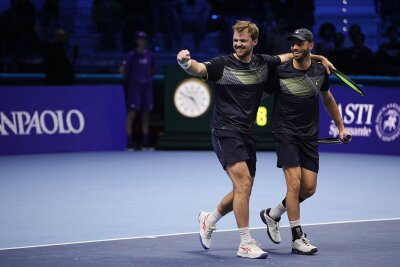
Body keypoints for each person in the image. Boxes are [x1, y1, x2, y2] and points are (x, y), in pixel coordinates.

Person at [177, 21, 333, 259]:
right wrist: (186, 62)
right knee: (243, 184)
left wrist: (319, 57)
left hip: (246, 134)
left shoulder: (263, 63)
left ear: (254, 42)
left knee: (243, 189)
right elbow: (198, 69)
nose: (238, 44)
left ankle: (209, 219)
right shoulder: (221, 65)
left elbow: (291, 55)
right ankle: (245, 242)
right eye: (236, 40)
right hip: (224, 130)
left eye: (243, 40)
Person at [259, 28, 350, 255]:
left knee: (308, 188)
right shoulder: (280, 70)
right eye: (293, 44)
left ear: (310, 45)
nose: (295, 47)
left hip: (309, 135)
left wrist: (340, 127)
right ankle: (298, 238)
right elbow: (261, 94)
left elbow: (327, 99)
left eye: (300, 44)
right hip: (285, 132)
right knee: (294, 183)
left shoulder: (320, 71)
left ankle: (273, 214)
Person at [120, 31, 155, 150]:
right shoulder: (131, 55)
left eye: (144, 39)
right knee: (131, 115)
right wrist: (132, 78)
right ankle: (129, 143)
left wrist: (146, 79)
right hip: (134, 88)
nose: (142, 41)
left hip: (147, 88)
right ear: (136, 41)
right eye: (140, 39)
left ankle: (145, 142)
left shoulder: (150, 55)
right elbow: (123, 70)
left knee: (146, 115)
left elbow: (152, 70)